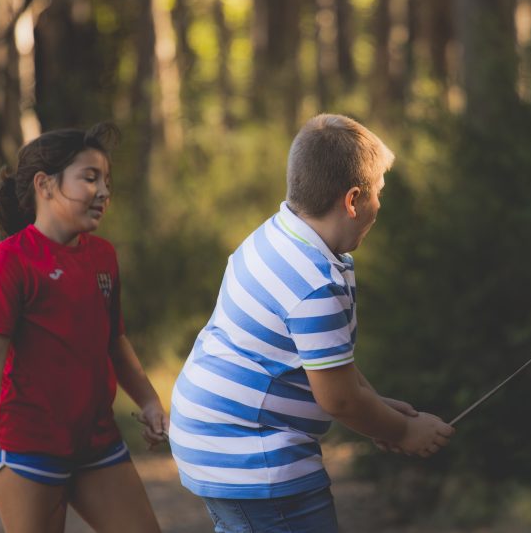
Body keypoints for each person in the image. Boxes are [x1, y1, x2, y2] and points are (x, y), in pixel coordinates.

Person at [169, 113, 455, 532]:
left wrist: (373, 404)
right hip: (253, 455)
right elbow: (337, 400)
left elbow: (329, 364)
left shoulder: (279, 235)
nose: (380, 206)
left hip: (208, 438)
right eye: (379, 194)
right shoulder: (314, 284)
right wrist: (401, 433)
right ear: (353, 200)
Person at [0, 123, 168, 533]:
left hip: (98, 441)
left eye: (107, 181)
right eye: (90, 178)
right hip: (28, 449)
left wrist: (149, 401)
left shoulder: (103, 257)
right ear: (45, 185)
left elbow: (115, 342)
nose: (103, 192)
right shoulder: (9, 262)